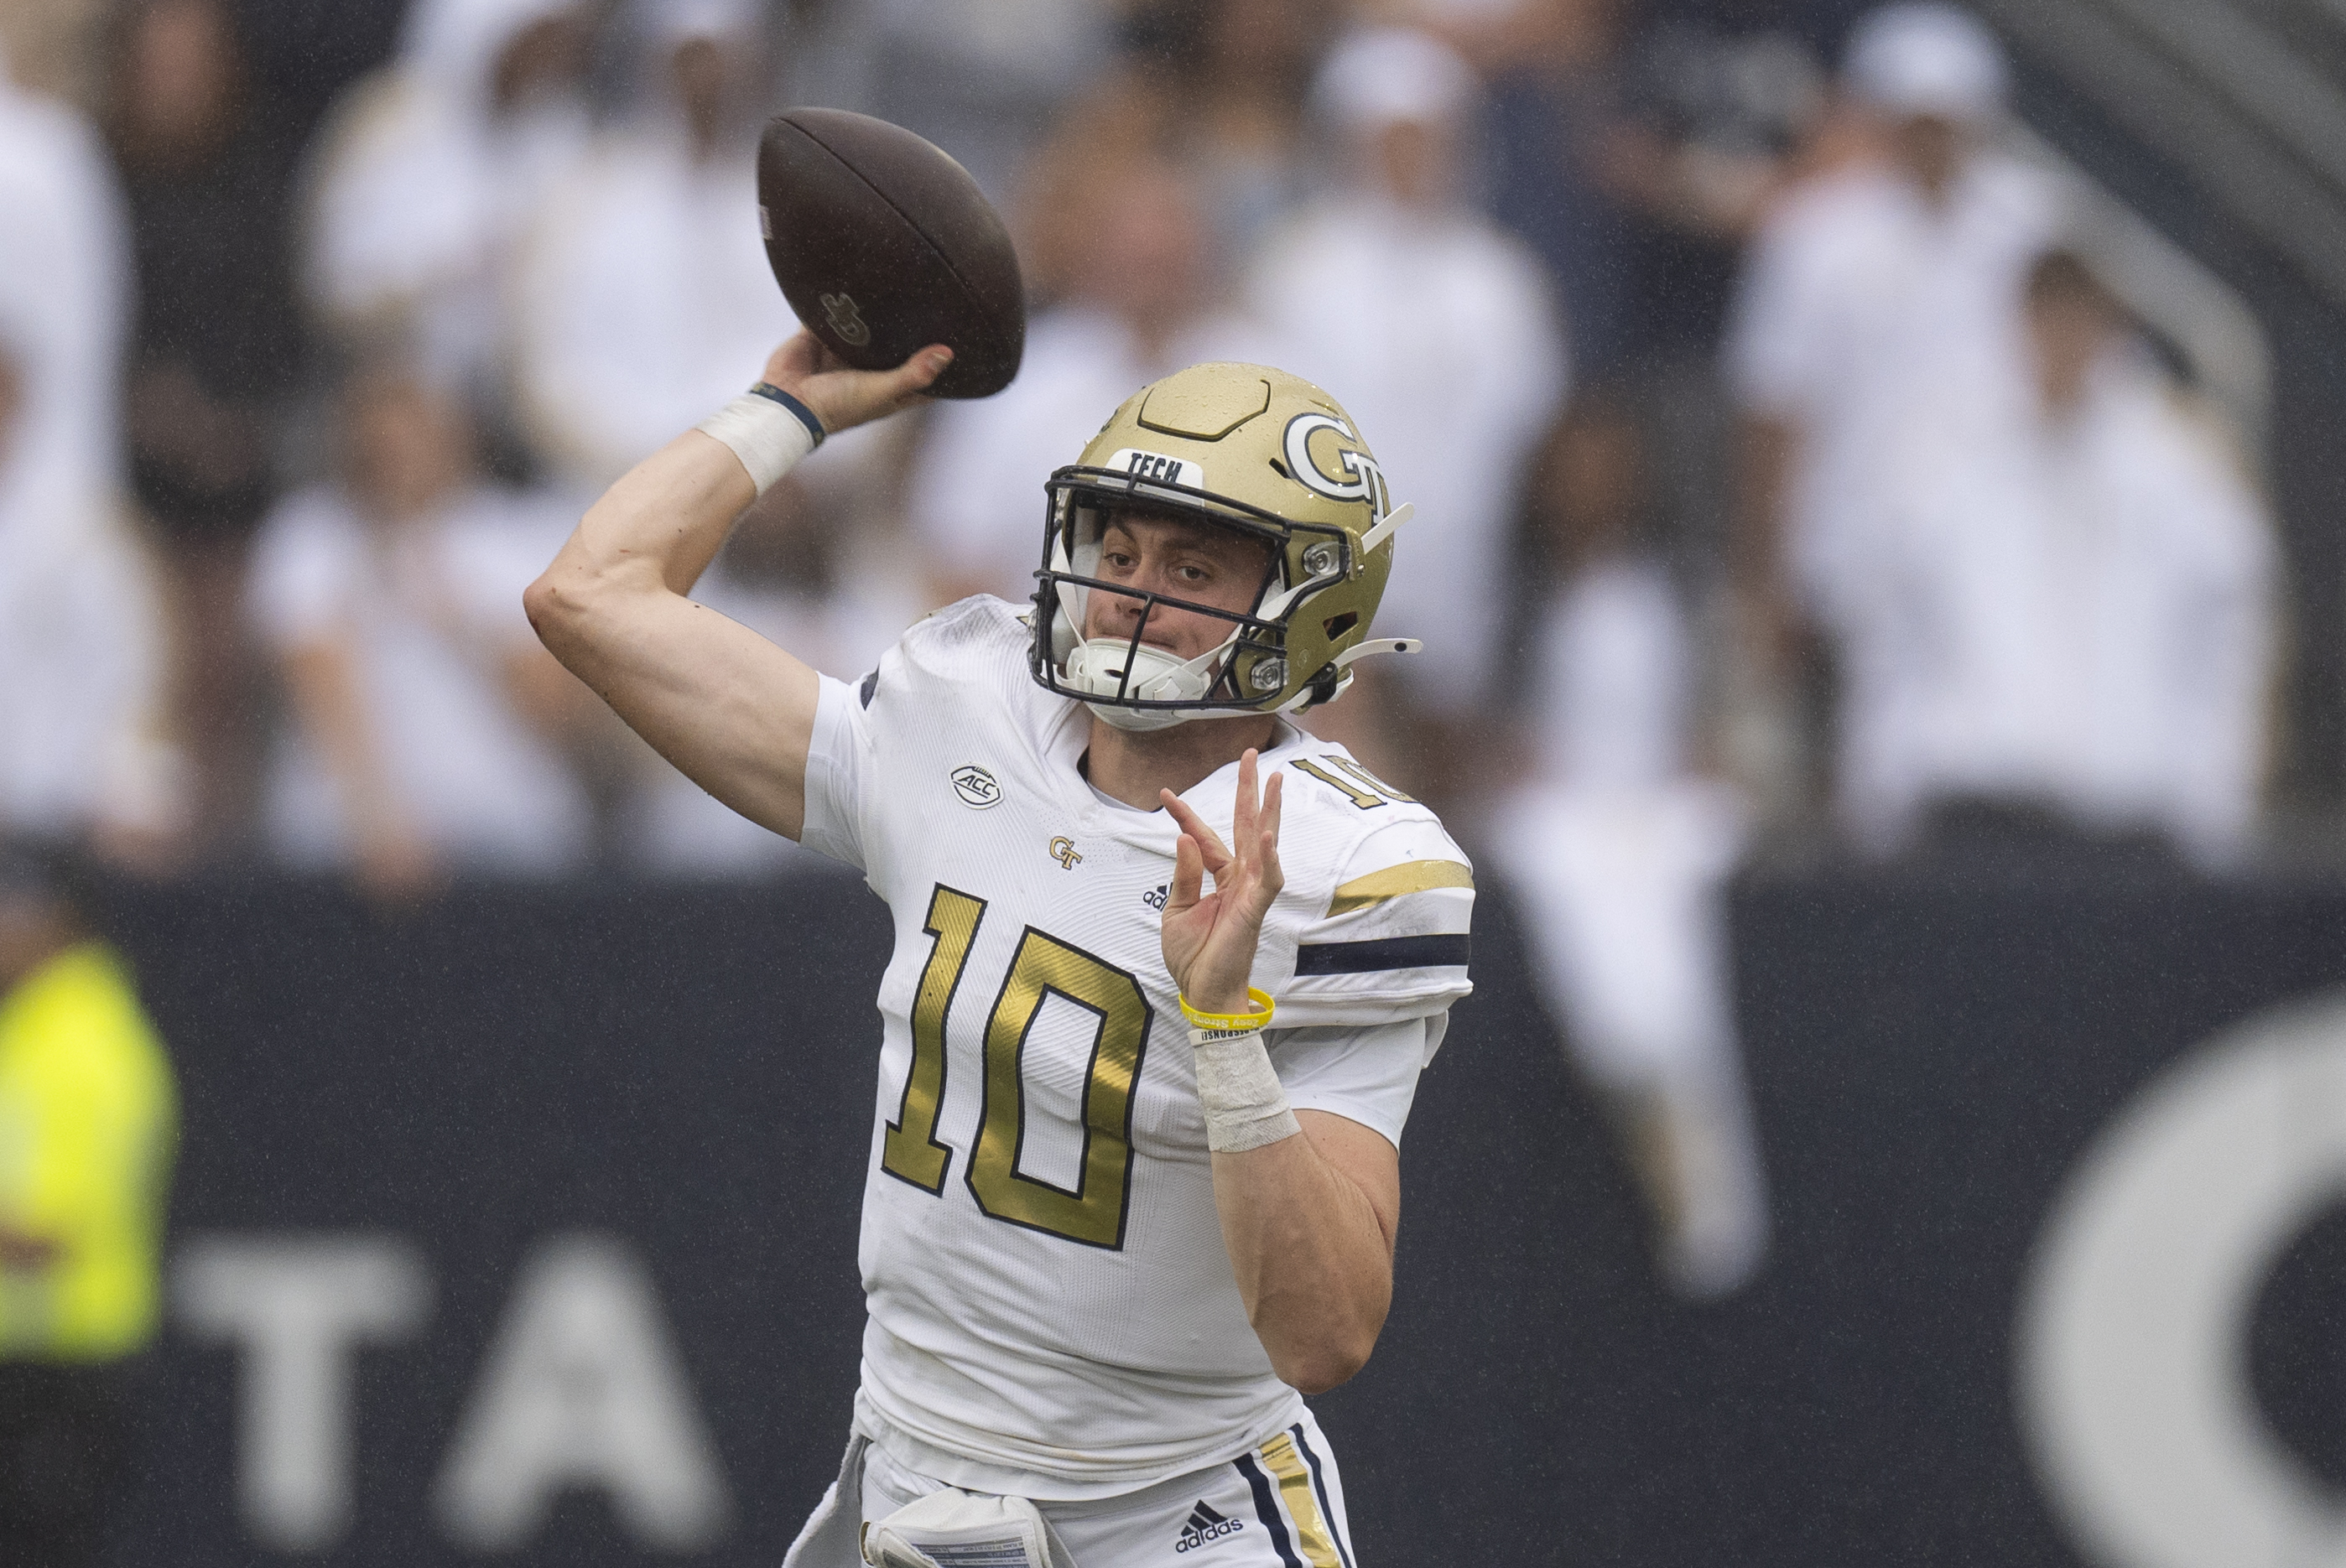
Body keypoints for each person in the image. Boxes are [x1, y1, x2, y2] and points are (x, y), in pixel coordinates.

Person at [527, 340, 1474, 1564]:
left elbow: (1325, 1332)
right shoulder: (963, 708)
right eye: (1119, 550)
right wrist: (789, 413)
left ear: (1310, 601)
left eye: (1192, 564)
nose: (1133, 592)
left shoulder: (1345, 861)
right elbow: (588, 594)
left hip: (1172, 1516)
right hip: (909, 1488)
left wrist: (1225, 1027)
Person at [1826, 250, 2276, 864]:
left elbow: (2229, 634)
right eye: (2045, 320)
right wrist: (1880, 793)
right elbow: (1890, 631)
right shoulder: (1942, 459)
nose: (2061, 342)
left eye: (2077, 321)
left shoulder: (2176, 469)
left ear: (2108, 328)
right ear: (2019, 323)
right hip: (1975, 811)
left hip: (2131, 816)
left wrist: (2215, 803)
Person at [1724, 2, 2058, 815]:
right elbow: (1776, 414)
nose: (1932, 141)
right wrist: (1767, 579)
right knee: (1855, 777)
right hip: (1853, 555)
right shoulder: (1815, 237)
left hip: (1997, 548)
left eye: (1947, 121)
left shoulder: (2031, 223)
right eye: (1914, 120)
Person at [1489, 395, 1766, 1297]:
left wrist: (1706, 762)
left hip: (1663, 807)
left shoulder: (1680, 588)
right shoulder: (1519, 600)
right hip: (1564, 814)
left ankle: (1672, 1093)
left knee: (1661, 895)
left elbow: (1716, 722)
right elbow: (1500, 735)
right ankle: (1637, 1062)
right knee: (1570, 870)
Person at [1250, 25, 1566, 783]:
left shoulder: (1498, 277)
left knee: (1445, 774)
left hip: (1466, 572)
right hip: (1325, 573)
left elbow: (1531, 435)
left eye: (1424, 140)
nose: (1406, 162)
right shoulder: (1298, 266)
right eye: (1387, 140)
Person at [248, 362, 598, 896]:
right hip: (349, 856)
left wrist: (457, 618)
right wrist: (377, 824)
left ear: (455, 437)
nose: (393, 457)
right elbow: (316, 685)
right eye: (376, 441)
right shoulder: (311, 537)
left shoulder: (521, 541)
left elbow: (556, 714)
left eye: (411, 436)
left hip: (508, 846)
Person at [908, 152, 1277, 608]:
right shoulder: (1026, 374)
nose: (1147, 259)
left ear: (1204, 246)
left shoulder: (1272, 381)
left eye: (1164, 245)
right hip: (1029, 656)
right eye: (1131, 243)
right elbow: (955, 554)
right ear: (1097, 249)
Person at [0, 836, 178, 1568]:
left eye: (14, 909)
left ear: (63, 919)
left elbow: (50, 1237)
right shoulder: (31, 1029)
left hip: (67, 1373)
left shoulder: (92, 1045)